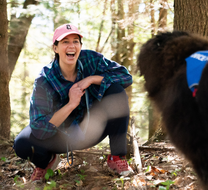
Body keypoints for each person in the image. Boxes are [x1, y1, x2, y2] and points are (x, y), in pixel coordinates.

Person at [14, 23, 134, 182]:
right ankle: (45, 163)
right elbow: (39, 128)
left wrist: (91, 79)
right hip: (60, 136)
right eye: (65, 42)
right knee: (22, 143)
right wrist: (71, 104)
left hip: (93, 129)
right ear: (55, 48)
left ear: (80, 46)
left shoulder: (91, 59)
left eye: (75, 41)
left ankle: (117, 157)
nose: (71, 46)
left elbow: (126, 77)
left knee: (116, 91)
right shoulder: (45, 80)